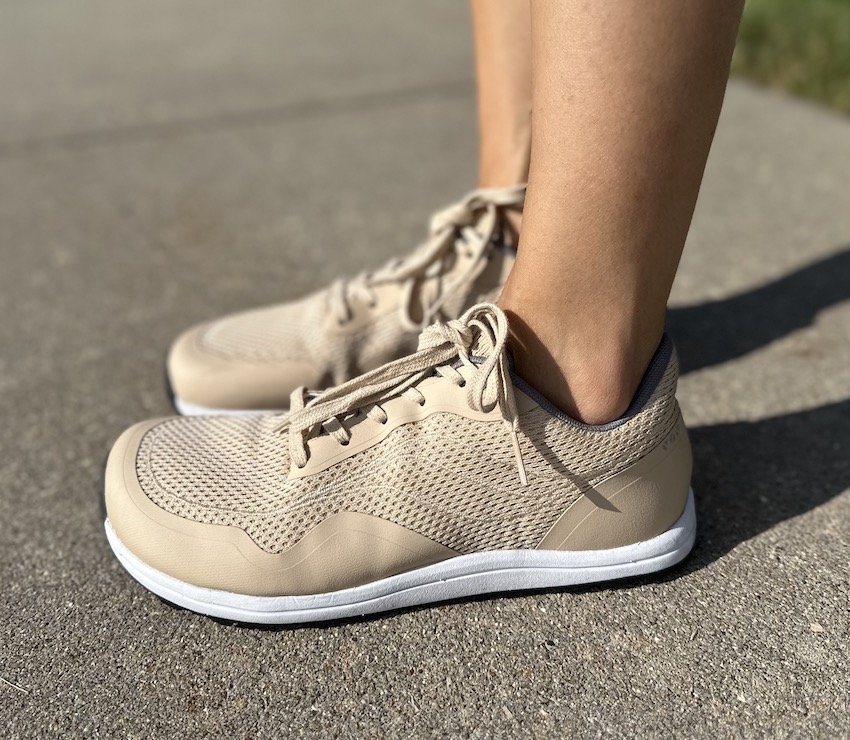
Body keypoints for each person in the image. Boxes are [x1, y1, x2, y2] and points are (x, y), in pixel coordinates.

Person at [104, 1, 744, 624]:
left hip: (576, 419)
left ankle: (573, 368)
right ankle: (516, 234)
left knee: (574, 341)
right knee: (520, 206)